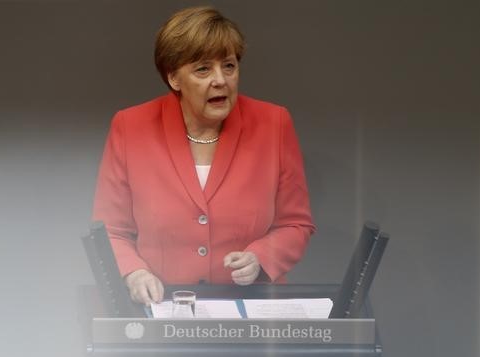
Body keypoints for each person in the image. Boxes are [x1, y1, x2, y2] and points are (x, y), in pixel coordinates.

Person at [92, 6, 315, 304]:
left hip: (251, 310)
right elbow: (111, 230)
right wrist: (135, 273)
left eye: (229, 66)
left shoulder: (274, 123)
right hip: (164, 309)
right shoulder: (130, 127)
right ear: (174, 78)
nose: (220, 80)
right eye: (203, 69)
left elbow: (295, 224)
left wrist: (261, 259)